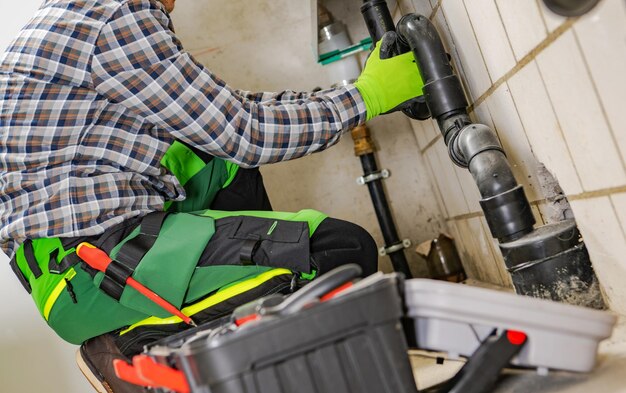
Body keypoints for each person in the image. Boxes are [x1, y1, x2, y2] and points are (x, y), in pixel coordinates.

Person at [0, 0, 423, 391]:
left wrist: (353, 95)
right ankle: (129, 348)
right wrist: (367, 97)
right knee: (339, 254)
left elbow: (226, 119)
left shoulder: (77, 16)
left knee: (221, 160)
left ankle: (263, 278)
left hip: (83, 264)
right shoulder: (114, 17)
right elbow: (247, 133)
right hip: (99, 269)